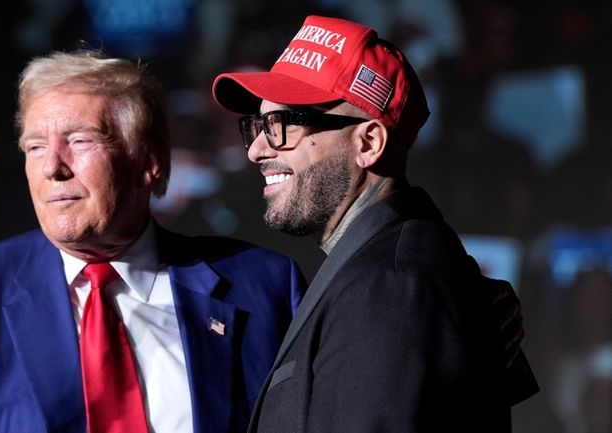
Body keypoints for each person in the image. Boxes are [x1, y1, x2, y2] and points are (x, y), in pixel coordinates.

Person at [0, 51, 305, 433]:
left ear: (149, 163)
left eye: (80, 140)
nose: (52, 167)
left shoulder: (264, 285)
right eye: (35, 146)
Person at [212, 15, 538, 433]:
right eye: (257, 126)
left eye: (281, 126)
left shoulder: (389, 287)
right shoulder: (398, 270)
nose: (257, 149)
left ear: (368, 143)